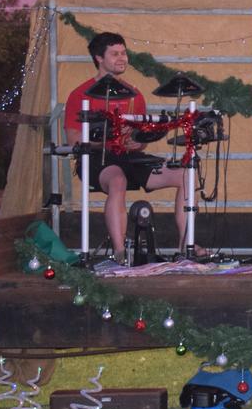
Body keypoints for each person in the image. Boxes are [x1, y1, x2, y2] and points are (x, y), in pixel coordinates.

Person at [64, 32, 188, 263]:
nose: (122, 58)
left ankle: (185, 248)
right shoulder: (80, 94)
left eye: (124, 53)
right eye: (115, 54)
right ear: (99, 58)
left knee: (186, 174)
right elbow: (73, 140)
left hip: (128, 158)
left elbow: (140, 138)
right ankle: (120, 254)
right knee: (117, 180)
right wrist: (105, 140)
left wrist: (138, 142)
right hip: (95, 159)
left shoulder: (134, 94)